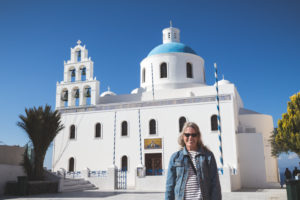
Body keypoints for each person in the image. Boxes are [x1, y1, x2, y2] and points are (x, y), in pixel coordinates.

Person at [165, 122, 221, 200]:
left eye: (193, 135)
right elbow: (170, 186)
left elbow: (215, 184)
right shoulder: (175, 157)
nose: (190, 137)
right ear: (182, 136)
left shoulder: (208, 156)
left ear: (198, 136)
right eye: (187, 135)